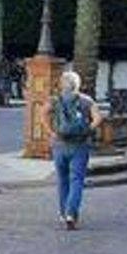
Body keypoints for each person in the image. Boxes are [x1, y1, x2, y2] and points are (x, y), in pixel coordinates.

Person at [49, 70, 103, 230]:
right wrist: (86, 130)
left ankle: (63, 212)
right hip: (80, 146)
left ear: (62, 84)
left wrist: (50, 131)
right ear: (77, 84)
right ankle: (71, 213)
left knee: (62, 179)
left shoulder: (55, 100)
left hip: (59, 145)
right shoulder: (86, 100)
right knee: (77, 180)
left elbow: (43, 113)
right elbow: (98, 118)